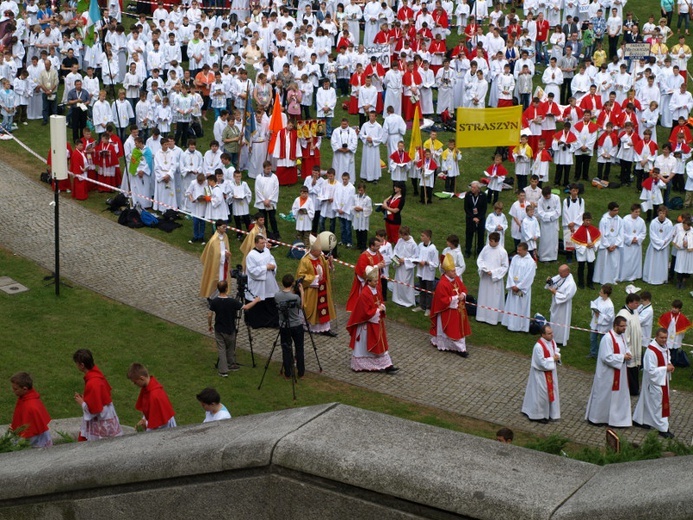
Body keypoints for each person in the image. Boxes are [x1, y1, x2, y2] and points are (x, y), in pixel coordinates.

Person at [346, 266, 399, 373]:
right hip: (367, 325)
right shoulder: (365, 293)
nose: (377, 282)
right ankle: (362, 365)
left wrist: (382, 307)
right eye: (375, 281)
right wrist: (378, 310)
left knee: (380, 343)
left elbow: (380, 301)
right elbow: (365, 312)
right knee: (368, 345)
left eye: (377, 280)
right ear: (369, 282)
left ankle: (386, 365)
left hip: (376, 322)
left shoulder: (376, 290)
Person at [585, 316, 633, 428]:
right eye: (622, 326)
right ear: (615, 325)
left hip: (619, 373)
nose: (624, 328)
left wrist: (628, 353)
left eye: (625, 326)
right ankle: (597, 418)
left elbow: (625, 348)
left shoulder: (621, 337)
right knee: (603, 396)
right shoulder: (607, 339)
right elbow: (606, 357)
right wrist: (622, 357)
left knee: (617, 397)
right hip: (607, 374)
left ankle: (616, 420)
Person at [208, 280, 259, 377]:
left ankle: (223, 370)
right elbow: (246, 307)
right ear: (227, 289)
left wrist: (209, 325)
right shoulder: (232, 302)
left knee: (222, 349)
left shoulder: (215, 301)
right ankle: (230, 364)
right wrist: (256, 301)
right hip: (230, 328)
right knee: (230, 347)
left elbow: (210, 315)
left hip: (219, 329)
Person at [633, 328, 676, 438]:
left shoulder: (664, 347)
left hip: (662, 379)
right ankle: (662, 428)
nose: (664, 340)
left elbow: (667, 358)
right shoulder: (651, 351)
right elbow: (650, 370)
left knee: (647, 401)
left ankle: (639, 420)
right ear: (656, 337)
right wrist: (665, 368)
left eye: (665, 338)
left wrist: (670, 365)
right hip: (654, 381)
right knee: (658, 404)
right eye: (661, 337)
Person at [73, 349, 123, 441]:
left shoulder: (92, 382)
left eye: (77, 363)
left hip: (102, 421)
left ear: (82, 365)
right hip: (108, 416)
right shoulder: (97, 374)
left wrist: (82, 403)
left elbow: (94, 410)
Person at [430, 253, 472, 356]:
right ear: (446, 272)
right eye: (453, 271)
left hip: (458, 310)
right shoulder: (442, 284)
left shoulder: (456, 279)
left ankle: (459, 347)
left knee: (458, 329)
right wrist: (456, 298)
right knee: (452, 330)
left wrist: (462, 294)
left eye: (455, 270)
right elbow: (442, 300)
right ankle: (458, 348)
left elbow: (463, 289)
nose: (455, 272)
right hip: (447, 311)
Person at [297, 241, 338, 336]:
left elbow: (325, 267)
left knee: (324, 308)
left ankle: (325, 328)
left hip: (323, 288)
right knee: (313, 308)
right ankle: (309, 326)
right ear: (313, 251)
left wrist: (329, 263)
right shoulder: (305, 261)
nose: (321, 253)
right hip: (312, 289)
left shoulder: (321, 257)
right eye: (319, 251)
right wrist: (315, 278)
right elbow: (301, 276)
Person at [522, 325, 561, 423]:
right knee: (541, 395)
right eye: (549, 333)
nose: (552, 335)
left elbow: (556, 350)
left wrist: (557, 356)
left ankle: (549, 413)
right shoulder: (538, 347)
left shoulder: (552, 342)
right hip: (540, 375)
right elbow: (540, 362)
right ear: (543, 334)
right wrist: (553, 359)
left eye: (552, 333)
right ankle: (537, 415)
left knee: (550, 393)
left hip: (551, 373)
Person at [127, 363, 176, 432]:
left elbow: (160, 423)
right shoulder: (148, 387)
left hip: (165, 430)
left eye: (135, 382)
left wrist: (146, 424)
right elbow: (149, 409)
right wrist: (144, 419)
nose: (135, 384)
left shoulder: (154, 395)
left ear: (142, 378)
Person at [244, 235, 280, 328]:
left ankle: (272, 322)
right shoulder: (251, 255)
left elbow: (272, 260)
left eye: (264, 242)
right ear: (256, 243)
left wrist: (273, 266)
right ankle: (257, 322)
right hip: (258, 284)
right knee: (259, 301)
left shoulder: (267, 251)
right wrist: (265, 267)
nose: (264, 245)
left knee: (270, 300)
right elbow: (252, 271)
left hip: (269, 282)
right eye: (261, 243)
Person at [275, 274, 306, 379]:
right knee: (299, 348)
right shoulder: (295, 297)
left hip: (284, 325)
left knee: (286, 348)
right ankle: (301, 372)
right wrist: (302, 292)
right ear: (293, 283)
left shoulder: (277, 296)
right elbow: (301, 306)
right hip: (296, 325)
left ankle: (287, 372)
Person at [9, 372, 52, 448]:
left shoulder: (30, 406)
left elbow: (30, 435)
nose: (13, 391)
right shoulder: (28, 397)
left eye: (15, 389)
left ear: (25, 389)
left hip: (37, 445)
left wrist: (17, 444)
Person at [502, 243, 537, 332]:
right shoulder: (515, 258)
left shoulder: (531, 262)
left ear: (525, 250)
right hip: (513, 285)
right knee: (512, 305)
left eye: (520, 250)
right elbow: (511, 271)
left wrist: (519, 286)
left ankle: (520, 326)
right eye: (517, 250)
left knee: (521, 307)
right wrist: (512, 284)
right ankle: (510, 323)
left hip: (522, 288)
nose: (518, 252)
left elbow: (529, 277)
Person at [476, 232, 509, 325]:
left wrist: (494, 273)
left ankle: (493, 318)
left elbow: (505, 267)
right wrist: (484, 268)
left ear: (497, 241)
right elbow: (480, 259)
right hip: (485, 278)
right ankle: (482, 316)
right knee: (484, 296)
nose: (490, 243)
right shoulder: (486, 248)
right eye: (489, 240)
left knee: (494, 298)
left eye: (491, 241)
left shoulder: (502, 252)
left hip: (494, 279)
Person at [347, 236, 385, 312]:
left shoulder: (377, 253)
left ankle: (375, 311)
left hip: (376, 281)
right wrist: (377, 266)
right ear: (372, 246)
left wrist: (382, 264)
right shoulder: (364, 256)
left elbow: (381, 260)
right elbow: (362, 271)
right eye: (377, 246)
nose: (379, 248)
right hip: (367, 283)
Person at [547, 264, 577, 346]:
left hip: (563, 307)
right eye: (559, 272)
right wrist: (549, 282)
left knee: (560, 322)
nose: (559, 274)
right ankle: (551, 336)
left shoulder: (571, 283)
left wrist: (555, 293)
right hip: (556, 303)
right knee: (554, 320)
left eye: (561, 273)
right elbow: (554, 283)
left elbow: (566, 296)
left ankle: (559, 339)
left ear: (567, 272)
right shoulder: (561, 277)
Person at [593, 202, 623, 284]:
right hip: (606, 243)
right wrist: (607, 246)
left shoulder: (620, 220)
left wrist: (616, 244)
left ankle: (613, 278)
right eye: (614, 210)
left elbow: (621, 233)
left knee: (614, 263)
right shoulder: (604, 220)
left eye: (617, 210)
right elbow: (601, 233)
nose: (616, 212)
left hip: (615, 244)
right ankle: (602, 278)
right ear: (609, 210)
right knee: (604, 262)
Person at [199, 220, 230, 298]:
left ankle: (221, 294)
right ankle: (211, 296)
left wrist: (227, 252)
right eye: (223, 227)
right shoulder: (213, 240)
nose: (225, 228)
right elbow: (214, 254)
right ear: (218, 227)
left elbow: (225, 247)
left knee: (223, 279)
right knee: (215, 279)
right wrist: (223, 254)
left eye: (226, 226)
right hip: (216, 265)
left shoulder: (225, 236)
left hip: (223, 264)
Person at [413, 230, 439, 316]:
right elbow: (416, 255)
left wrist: (427, 263)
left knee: (429, 291)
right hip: (421, 271)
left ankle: (428, 308)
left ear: (428, 237)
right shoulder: (420, 245)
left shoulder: (433, 248)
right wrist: (416, 261)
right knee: (422, 289)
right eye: (421, 235)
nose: (421, 237)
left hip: (428, 273)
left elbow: (435, 263)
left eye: (423, 236)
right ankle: (422, 305)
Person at [619, 204, 646, 282]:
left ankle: (634, 275)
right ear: (631, 211)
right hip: (627, 245)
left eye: (639, 212)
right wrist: (630, 239)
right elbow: (622, 232)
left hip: (636, 244)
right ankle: (625, 275)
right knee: (626, 260)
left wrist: (637, 239)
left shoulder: (641, 221)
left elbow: (643, 232)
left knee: (635, 260)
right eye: (636, 212)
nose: (637, 214)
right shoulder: (625, 220)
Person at [392, 226, 418, 308]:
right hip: (399, 265)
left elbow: (416, 257)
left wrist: (405, 260)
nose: (403, 237)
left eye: (404, 235)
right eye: (401, 235)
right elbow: (395, 251)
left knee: (405, 283)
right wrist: (397, 260)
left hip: (407, 268)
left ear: (408, 234)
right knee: (398, 282)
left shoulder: (413, 244)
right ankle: (398, 298)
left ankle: (407, 301)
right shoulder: (400, 241)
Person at [589, 284, 615, 359]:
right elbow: (594, 303)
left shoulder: (610, 305)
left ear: (606, 294)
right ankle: (593, 353)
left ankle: (602, 354)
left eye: (601, 292)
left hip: (603, 326)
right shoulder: (599, 298)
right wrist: (595, 310)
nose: (599, 293)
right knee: (592, 338)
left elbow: (610, 318)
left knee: (602, 341)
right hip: (596, 323)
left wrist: (599, 315)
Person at [537, 185, 561, 262]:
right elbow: (540, 213)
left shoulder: (556, 198)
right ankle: (544, 257)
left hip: (553, 223)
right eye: (545, 196)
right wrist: (548, 216)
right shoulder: (540, 201)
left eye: (548, 196)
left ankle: (553, 257)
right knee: (545, 240)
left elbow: (558, 211)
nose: (546, 198)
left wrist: (551, 217)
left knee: (553, 240)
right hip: (545, 224)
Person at [464, 181, 488, 257]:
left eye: (474, 187)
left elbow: (484, 209)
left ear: (478, 188)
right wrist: (473, 217)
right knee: (469, 234)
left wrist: (479, 218)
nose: (472, 189)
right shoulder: (468, 195)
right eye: (471, 187)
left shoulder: (483, 196)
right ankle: (468, 250)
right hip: (470, 218)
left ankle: (480, 250)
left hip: (480, 219)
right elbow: (466, 208)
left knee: (480, 235)